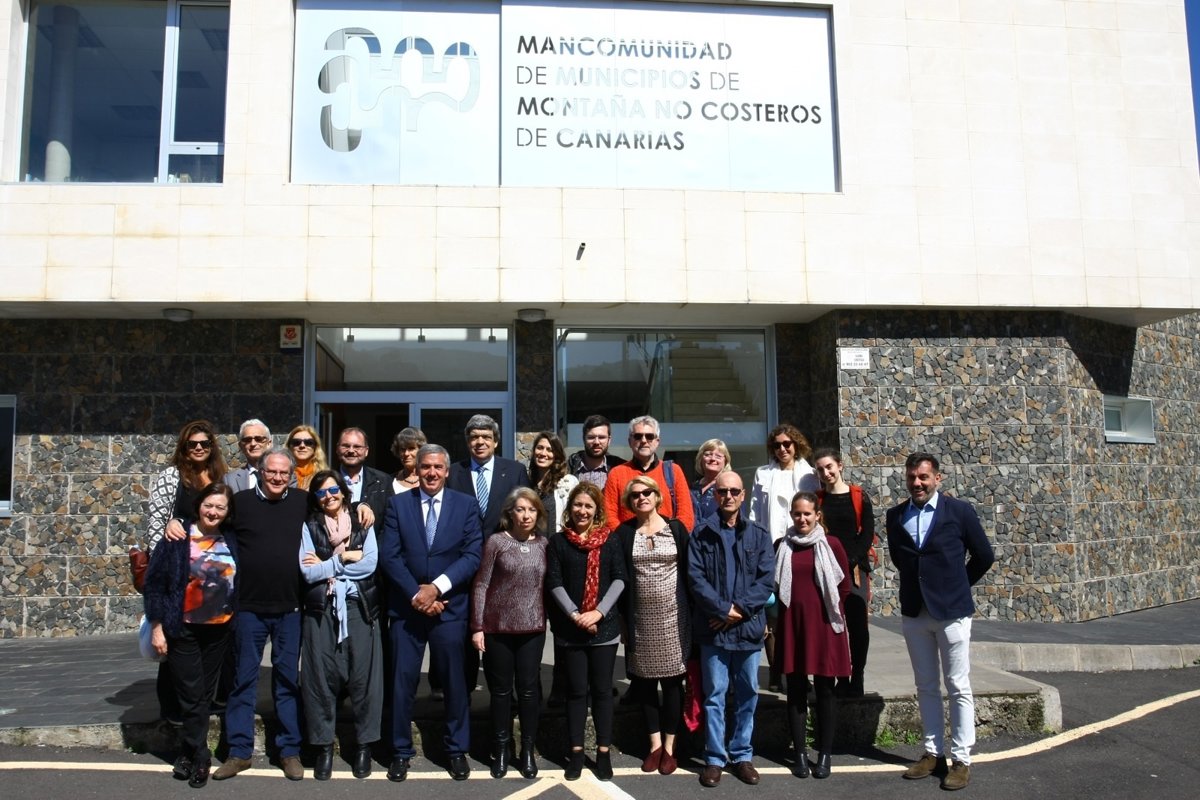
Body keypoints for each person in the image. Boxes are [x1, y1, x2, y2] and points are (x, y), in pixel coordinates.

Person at [886, 452, 995, 792]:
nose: (917, 483)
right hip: (915, 612)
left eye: (923, 477)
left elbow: (984, 555)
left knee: (958, 685)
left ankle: (961, 759)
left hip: (952, 613)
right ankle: (933, 753)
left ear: (937, 478)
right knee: (926, 685)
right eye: (912, 477)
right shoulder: (895, 516)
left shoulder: (959, 512)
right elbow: (901, 559)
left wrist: (957, 585)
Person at [380, 444, 482, 783]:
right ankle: (400, 751)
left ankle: (456, 750)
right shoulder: (398, 504)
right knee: (402, 682)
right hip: (407, 610)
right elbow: (390, 556)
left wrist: (435, 589)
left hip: (449, 608)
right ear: (417, 469)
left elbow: (472, 555)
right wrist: (417, 594)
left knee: (454, 683)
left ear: (447, 471)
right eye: (426, 466)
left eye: (438, 467)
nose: (432, 473)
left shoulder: (466, 505)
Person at [212, 449, 308, 781]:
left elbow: (335, 510)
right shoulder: (240, 503)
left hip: (290, 608)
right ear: (261, 472)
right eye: (272, 472)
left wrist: (361, 507)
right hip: (249, 609)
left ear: (291, 475)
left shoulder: (303, 502)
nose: (278, 478)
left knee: (287, 681)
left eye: (284, 473)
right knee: (243, 680)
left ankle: (289, 751)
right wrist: (176, 523)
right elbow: (208, 516)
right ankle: (239, 752)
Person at [143, 483, 239, 788]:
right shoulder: (177, 537)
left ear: (228, 512)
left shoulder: (231, 537)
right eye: (209, 505)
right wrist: (157, 627)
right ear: (198, 505)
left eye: (220, 507)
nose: (213, 512)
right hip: (183, 627)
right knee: (190, 693)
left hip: (219, 629)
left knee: (203, 695)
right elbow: (154, 584)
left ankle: (186, 752)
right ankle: (201, 756)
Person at [688, 471, 774, 788]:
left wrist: (737, 611)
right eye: (722, 491)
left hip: (748, 630)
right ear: (715, 495)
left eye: (734, 491)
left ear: (743, 494)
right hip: (714, 631)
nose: (728, 496)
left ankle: (741, 755)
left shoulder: (759, 535)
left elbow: (765, 580)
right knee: (714, 696)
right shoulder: (701, 534)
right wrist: (723, 611)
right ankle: (714, 758)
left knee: (747, 694)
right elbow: (696, 578)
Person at [299, 470, 382, 781]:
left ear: (344, 493)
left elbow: (370, 563)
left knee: (364, 679)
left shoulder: (362, 521)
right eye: (321, 492)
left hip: (359, 608)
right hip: (322, 609)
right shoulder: (309, 526)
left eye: (333, 490)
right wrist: (343, 558)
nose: (329, 496)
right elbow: (307, 573)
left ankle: (364, 746)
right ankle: (323, 747)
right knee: (320, 679)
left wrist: (326, 567)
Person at [145, 420, 228, 726]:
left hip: (212, 571)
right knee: (174, 639)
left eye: (204, 443)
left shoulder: (219, 476)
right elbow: (156, 523)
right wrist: (163, 563)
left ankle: (200, 706)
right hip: (178, 569)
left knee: (207, 645)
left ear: (212, 447)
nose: (198, 448)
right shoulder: (171, 476)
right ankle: (172, 710)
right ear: (183, 447)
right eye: (192, 444)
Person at [546, 482, 626, 781]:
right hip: (571, 629)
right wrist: (576, 615)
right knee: (577, 691)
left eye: (588, 506)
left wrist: (598, 612)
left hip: (604, 628)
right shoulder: (558, 542)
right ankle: (577, 752)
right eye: (577, 505)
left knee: (603, 691)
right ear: (570, 508)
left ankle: (603, 752)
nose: (582, 510)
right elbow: (554, 582)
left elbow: (619, 578)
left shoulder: (610, 540)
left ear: (597, 510)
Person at [447, 413, 531, 694]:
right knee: (466, 631)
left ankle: (504, 693)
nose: (480, 442)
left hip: (505, 564)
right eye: (474, 437)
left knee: (502, 631)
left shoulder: (515, 470)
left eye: (486, 437)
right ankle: (464, 693)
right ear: (467, 441)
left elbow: (526, 512)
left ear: (496, 441)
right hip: (464, 563)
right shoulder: (453, 472)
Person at [470, 487, 549, 780]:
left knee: (528, 692)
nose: (526, 515)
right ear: (510, 513)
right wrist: (477, 626)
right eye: (520, 509)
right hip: (498, 627)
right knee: (501, 692)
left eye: (531, 510)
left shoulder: (544, 544)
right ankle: (501, 748)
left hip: (532, 627)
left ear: (538, 514)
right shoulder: (496, 542)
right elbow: (481, 584)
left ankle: (527, 750)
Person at [615, 476, 690, 776]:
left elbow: (689, 572)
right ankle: (654, 745)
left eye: (647, 492)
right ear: (629, 503)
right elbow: (620, 578)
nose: (642, 498)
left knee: (672, 684)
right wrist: (622, 620)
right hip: (640, 620)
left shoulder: (676, 529)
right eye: (635, 495)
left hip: (675, 617)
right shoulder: (624, 533)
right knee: (644, 684)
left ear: (658, 497)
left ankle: (670, 747)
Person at [774, 491, 851, 780]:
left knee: (825, 690)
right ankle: (800, 755)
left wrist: (830, 613)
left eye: (807, 513)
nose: (802, 518)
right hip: (792, 625)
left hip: (824, 625)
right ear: (791, 515)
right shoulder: (782, 545)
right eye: (797, 513)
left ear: (817, 515)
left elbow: (844, 586)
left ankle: (825, 754)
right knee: (795, 691)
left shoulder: (831, 544)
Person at [748, 423, 819, 689]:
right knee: (772, 611)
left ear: (796, 445)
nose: (782, 449)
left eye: (787, 444)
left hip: (801, 548)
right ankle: (777, 671)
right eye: (777, 445)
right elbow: (754, 512)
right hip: (770, 548)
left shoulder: (809, 475)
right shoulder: (763, 473)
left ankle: (801, 673)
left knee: (798, 611)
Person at [812, 447, 876, 697]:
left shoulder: (859, 496)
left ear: (840, 465)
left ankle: (857, 676)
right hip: (826, 570)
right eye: (820, 469)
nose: (826, 473)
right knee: (833, 626)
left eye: (829, 467)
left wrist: (851, 559)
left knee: (858, 626)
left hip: (854, 569)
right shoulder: (818, 499)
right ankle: (841, 677)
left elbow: (867, 534)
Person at [603, 415, 695, 532]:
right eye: (638, 436)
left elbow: (686, 515)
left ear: (657, 442)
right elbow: (609, 515)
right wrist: (628, 538)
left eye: (649, 436)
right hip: (628, 542)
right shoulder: (616, 474)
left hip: (668, 541)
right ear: (630, 442)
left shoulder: (673, 471)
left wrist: (668, 538)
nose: (643, 440)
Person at [336, 427, 391, 528]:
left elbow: (390, 522)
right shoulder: (327, 481)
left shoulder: (383, 481)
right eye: (346, 446)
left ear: (366, 451)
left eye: (357, 447)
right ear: (337, 449)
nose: (351, 450)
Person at [529, 431, 579, 537]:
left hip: (556, 542)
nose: (543, 453)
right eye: (540, 448)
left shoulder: (568, 483)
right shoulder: (527, 483)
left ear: (557, 454)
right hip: (532, 544)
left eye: (549, 450)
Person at [567, 414, 624, 489]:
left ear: (609, 440)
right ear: (584, 439)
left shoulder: (620, 468)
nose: (596, 442)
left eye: (601, 437)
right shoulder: (568, 468)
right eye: (591, 437)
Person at [691, 438, 732, 525]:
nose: (713, 458)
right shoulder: (692, 488)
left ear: (725, 461)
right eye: (708, 454)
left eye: (718, 456)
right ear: (701, 459)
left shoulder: (730, 488)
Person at [225, 419, 271, 493]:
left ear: (269, 443)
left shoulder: (284, 476)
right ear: (241, 446)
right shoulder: (229, 480)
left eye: (259, 439)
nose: (253, 444)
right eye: (247, 440)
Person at [287, 424, 328, 490]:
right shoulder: (281, 474)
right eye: (296, 442)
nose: (302, 446)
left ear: (315, 447)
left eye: (308, 442)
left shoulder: (324, 476)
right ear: (289, 446)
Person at [389, 427, 427, 495]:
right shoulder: (389, 481)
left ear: (421, 450)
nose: (406, 454)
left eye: (411, 448)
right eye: (403, 449)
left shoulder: (431, 479)